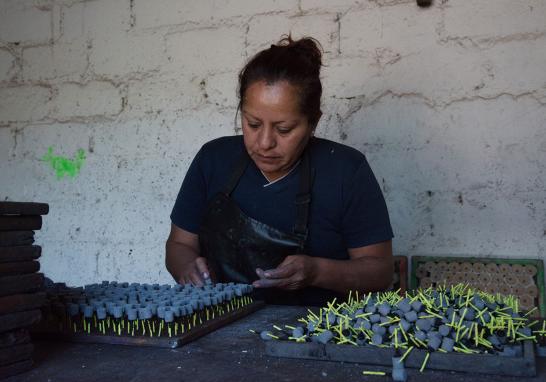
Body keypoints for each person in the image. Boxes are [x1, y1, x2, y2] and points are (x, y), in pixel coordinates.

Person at [166, 35, 394, 306]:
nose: (265, 143)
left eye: (283, 129)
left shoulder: (346, 171)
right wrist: (187, 268)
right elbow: (179, 246)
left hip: (316, 334)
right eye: (252, 124)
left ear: (313, 122)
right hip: (219, 325)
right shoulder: (213, 160)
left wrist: (317, 272)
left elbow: (380, 272)